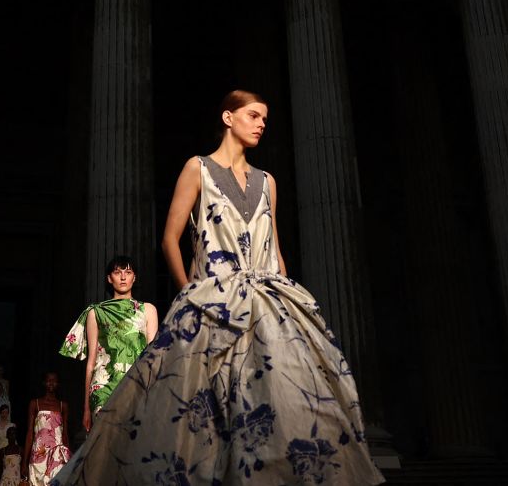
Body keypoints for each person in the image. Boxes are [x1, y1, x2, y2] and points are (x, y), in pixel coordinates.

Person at [50, 90, 383, 485]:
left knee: (290, 401)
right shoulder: (198, 169)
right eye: (254, 115)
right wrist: (190, 292)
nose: (262, 124)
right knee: (199, 409)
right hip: (212, 301)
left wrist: (286, 297)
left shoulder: (267, 182)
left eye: (265, 118)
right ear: (229, 117)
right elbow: (170, 239)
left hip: (268, 303)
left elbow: (273, 246)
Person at [60, 256, 159, 428]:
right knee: (103, 448)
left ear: (134, 278)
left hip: (137, 385)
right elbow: (91, 362)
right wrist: (85, 409)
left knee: (132, 447)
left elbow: (153, 358)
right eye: (117, 272)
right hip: (103, 386)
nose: (122, 277)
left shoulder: (148, 310)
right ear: (109, 278)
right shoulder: (95, 312)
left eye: (128, 272)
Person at [23, 371, 72, 485]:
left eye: (54, 380)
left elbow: (65, 433)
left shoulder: (62, 405)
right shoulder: (35, 403)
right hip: (39, 453)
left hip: (57, 453)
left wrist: (69, 458)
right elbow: (30, 433)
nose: (51, 383)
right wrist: (24, 462)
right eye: (49, 380)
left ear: (58, 383)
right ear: (44, 383)